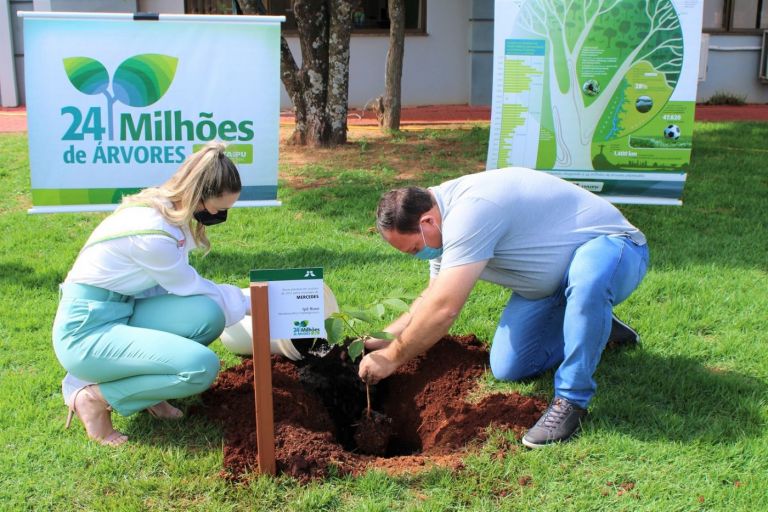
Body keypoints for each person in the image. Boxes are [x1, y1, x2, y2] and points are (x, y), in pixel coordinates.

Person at [358, 167, 649, 448]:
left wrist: (392, 358)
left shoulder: (470, 213)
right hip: (550, 287)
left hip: (615, 249)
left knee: (588, 281)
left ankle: (571, 400)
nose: (418, 255)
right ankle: (598, 324)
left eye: (415, 249)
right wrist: (380, 339)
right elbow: (431, 298)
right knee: (511, 367)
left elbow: (444, 308)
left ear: (426, 223)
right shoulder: (439, 223)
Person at [53, 143, 249, 446]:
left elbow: (186, 293)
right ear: (196, 195)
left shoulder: (161, 210)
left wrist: (242, 300)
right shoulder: (153, 232)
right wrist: (250, 301)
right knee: (201, 367)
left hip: (123, 309)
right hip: (86, 332)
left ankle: (149, 392)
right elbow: (189, 286)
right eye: (218, 208)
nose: (219, 215)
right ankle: (93, 398)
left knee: (208, 316)